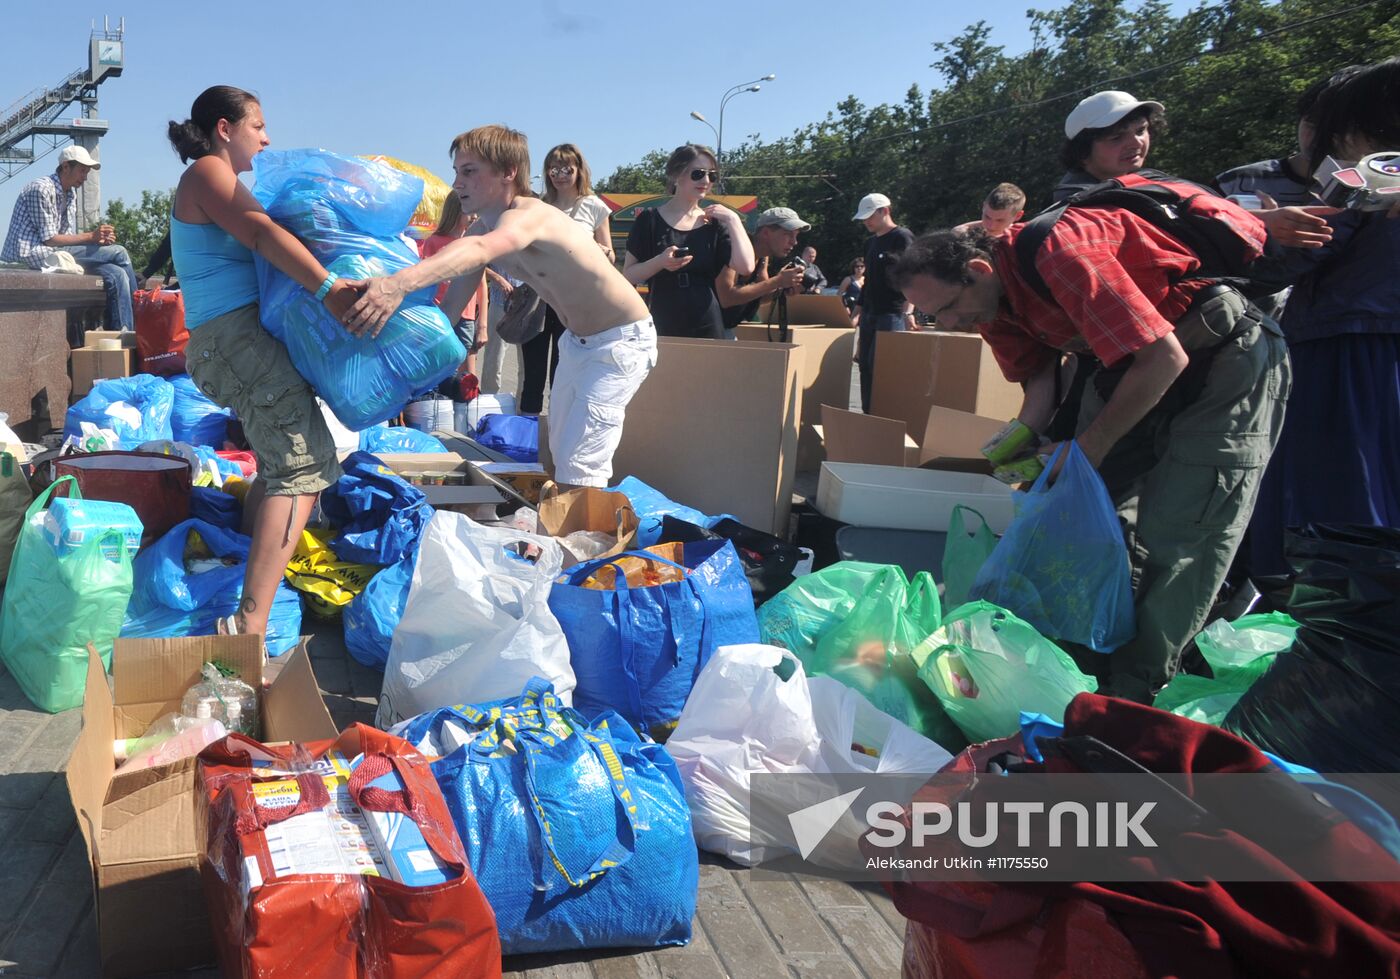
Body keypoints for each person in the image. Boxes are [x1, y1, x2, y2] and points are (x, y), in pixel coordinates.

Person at [890, 211, 1289, 704]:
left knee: (1184, 531)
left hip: (1220, 354)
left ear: (979, 270)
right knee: (1094, 516)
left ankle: (1134, 691)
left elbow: (1165, 358)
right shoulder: (984, 303)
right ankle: (1081, 663)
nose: (950, 325)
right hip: (1125, 367)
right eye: (935, 317)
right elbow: (1040, 377)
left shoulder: (1061, 255)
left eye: (950, 308)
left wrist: (1085, 451)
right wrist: (1019, 440)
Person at [347, 125, 656, 489]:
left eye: (469, 171)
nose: (457, 183)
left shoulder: (529, 215)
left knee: (581, 463)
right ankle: (563, 522)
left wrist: (396, 284)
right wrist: (390, 365)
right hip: (578, 343)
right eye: (456, 172)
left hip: (619, 341)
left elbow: (480, 250)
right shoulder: (480, 231)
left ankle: (580, 526)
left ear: (509, 172)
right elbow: (448, 313)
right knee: (559, 452)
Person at [166, 85, 360, 642]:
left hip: (235, 343)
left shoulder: (218, 179)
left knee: (289, 465)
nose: (267, 138)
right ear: (224, 129)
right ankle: (248, 627)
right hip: (234, 342)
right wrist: (329, 289)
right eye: (258, 125)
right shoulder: (207, 171)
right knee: (300, 468)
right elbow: (260, 233)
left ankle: (249, 587)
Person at [1247, 58, 1400, 579]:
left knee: (1338, 492)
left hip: (1346, 349)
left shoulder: (1365, 178)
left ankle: (1339, 602)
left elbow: (1300, 254)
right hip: (1378, 344)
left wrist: (1263, 226)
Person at [623, 144, 755, 338]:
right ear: (677, 175)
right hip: (662, 319)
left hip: (706, 320)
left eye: (712, 175)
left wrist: (733, 220)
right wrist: (660, 262)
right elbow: (628, 275)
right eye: (698, 173)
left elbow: (746, 267)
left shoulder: (715, 222)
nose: (706, 181)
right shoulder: (649, 220)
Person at [1, 145, 140, 331]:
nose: (85, 177)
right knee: (119, 252)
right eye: (82, 171)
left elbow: (65, 238)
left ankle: (124, 335)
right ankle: (142, 311)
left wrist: (96, 240)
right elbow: (50, 239)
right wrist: (91, 237)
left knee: (117, 274)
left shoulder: (70, 193)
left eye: (87, 172)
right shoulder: (41, 188)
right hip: (36, 254)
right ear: (66, 166)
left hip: (60, 254)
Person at [522, 143, 614, 415]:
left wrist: (601, 251)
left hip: (574, 300)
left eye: (566, 169)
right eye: (554, 169)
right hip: (540, 296)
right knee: (532, 374)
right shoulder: (540, 206)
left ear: (579, 171)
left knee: (564, 373)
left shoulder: (594, 206)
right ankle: (528, 434)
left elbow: (610, 257)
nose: (559, 175)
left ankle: (557, 430)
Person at [852, 192, 915, 413]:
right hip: (870, 312)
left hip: (893, 312)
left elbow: (912, 276)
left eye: (870, 216)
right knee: (865, 365)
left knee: (884, 366)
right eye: (863, 218)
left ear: (885, 211)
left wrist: (909, 312)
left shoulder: (902, 237)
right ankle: (868, 413)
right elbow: (868, 281)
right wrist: (856, 312)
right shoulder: (870, 243)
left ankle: (886, 415)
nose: (866, 222)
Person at [419, 192, 488, 379]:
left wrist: (482, 325)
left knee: (466, 370)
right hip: (439, 313)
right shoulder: (434, 242)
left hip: (467, 316)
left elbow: (482, 286)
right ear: (455, 211)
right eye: (469, 211)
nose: (474, 216)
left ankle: (464, 396)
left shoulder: (473, 243)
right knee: (439, 365)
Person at [715, 206, 809, 337]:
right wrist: (778, 281)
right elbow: (726, 298)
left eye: (796, 236)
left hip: (724, 329)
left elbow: (760, 296)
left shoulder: (763, 257)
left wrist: (782, 289)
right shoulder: (736, 247)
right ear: (766, 233)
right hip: (703, 331)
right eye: (788, 234)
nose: (794, 242)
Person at [955, 182, 1026, 237]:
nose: (991, 226)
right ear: (983, 207)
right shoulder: (962, 235)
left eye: (1000, 220)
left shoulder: (1025, 238)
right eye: (987, 217)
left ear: (1018, 216)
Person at [837, 257, 865, 327]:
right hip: (852, 308)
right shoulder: (848, 279)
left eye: (862, 266)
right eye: (857, 266)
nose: (859, 268)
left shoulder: (867, 279)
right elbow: (839, 295)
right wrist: (844, 307)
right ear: (853, 268)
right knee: (852, 325)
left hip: (864, 309)